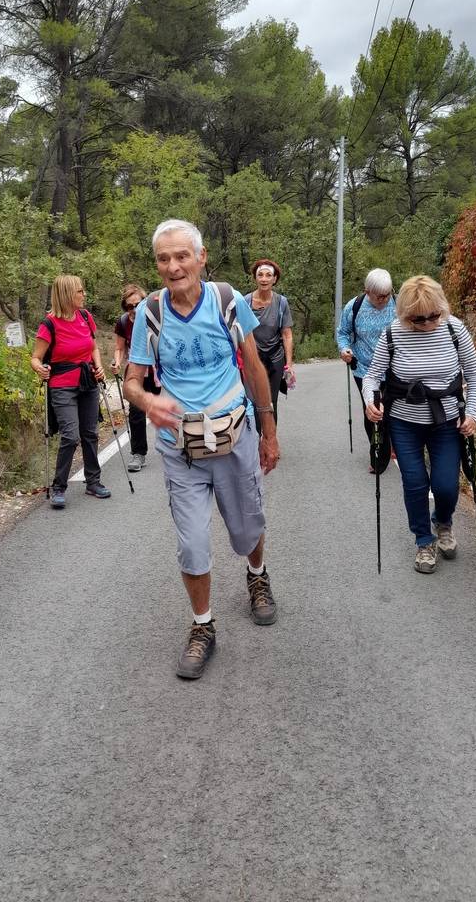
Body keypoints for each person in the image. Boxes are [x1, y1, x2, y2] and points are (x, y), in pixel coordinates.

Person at [123, 219, 280, 680]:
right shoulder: (149, 314)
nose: (173, 267)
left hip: (235, 437)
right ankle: (203, 626)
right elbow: (132, 381)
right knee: (192, 543)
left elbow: (252, 366)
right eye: (164, 259)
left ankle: (257, 574)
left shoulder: (227, 300)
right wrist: (148, 400)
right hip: (181, 448)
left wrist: (268, 431)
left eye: (181, 256)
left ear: (201, 256)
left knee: (247, 525)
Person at [363, 275, 476, 574]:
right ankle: (424, 540)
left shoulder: (454, 329)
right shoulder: (392, 334)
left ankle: (443, 521)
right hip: (404, 422)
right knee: (415, 483)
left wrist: (471, 413)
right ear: (405, 314)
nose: (428, 324)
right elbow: (372, 376)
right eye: (419, 320)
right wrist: (370, 402)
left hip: (446, 422)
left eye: (433, 316)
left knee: (446, 486)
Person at [30, 274, 111, 509]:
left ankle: (93, 482)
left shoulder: (85, 317)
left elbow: (93, 346)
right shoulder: (49, 325)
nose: (84, 294)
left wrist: (99, 366)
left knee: (91, 433)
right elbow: (35, 358)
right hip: (62, 385)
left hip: (88, 382)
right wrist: (40, 369)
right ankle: (58, 487)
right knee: (70, 435)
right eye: (80, 291)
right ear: (67, 295)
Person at [336, 268, 397, 473]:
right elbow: (343, 333)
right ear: (367, 291)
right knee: (373, 412)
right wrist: (344, 349)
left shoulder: (399, 305)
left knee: (390, 411)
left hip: (394, 369)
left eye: (387, 294)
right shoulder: (354, 307)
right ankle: (379, 456)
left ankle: (389, 445)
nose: (384, 299)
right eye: (380, 296)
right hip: (364, 369)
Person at [111, 283, 161, 473]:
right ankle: (138, 453)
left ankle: (176, 445)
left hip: (158, 370)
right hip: (136, 371)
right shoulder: (123, 322)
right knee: (136, 413)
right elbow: (120, 347)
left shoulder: (155, 316)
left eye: (138, 304)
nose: (134, 309)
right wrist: (116, 362)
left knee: (169, 407)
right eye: (129, 306)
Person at [244, 259, 294, 427]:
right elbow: (239, 333)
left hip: (275, 358)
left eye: (268, 275)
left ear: (275, 279)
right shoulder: (244, 302)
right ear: (255, 278)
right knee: (253, 400)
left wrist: (289, 364)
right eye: (260, 275)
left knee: (271, 401)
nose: (264, 279)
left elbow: (287, 334)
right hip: (252, 358)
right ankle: (256, 439)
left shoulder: (281, 303)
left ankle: (270, 441)